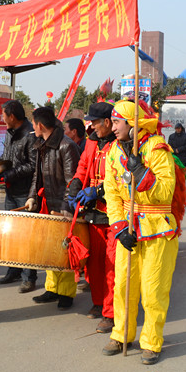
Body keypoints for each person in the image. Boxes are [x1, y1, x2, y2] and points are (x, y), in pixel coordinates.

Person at [101, 100, 179, 366]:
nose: (112, 128)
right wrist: (120, 226)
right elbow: (111, 192)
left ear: (132, 123)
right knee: (123, 285)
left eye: (117, 122)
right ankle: (121, 335)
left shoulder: (158, 149)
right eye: (112, 122)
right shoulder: (112, 152)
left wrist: (141, 172)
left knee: (153, 289)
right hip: (127, 226)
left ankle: (152, 341)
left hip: (158, 227)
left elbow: (166, 192)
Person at [64, 102, 117, 333]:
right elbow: (84, 166)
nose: (92, 125)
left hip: (114, 213)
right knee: (93, 263)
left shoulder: (120, 143)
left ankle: (111, 312)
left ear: (108, 122)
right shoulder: (92, 140)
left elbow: (121, 176)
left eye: (95, 121)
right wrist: (75, 185)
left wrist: (99, 191)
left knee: (111, 265)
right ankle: (98, 301)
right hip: (92, 212)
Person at [26, 106, 81, 310]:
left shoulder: (66, 146)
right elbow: (36, 176)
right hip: (47, 203)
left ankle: (66, 292)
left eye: (33, 123)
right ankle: (52, 288)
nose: (33, 127)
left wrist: (67, 208)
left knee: (65, 250)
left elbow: (72, 181)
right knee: (49, 249)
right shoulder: (41, 144)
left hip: (63, 205)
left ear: (39, 125)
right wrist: (32, 196)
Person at [0, 100, 38, 292]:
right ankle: (13, 269)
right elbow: (8, 158)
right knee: (10, 233)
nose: (2, 119)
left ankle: (29, 276)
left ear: (12, 116)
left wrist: (10, 174)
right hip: (11, 190)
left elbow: (33, 165)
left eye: (3, 115)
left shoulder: (31, 134)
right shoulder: (9, 132)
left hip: (25, 192)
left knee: (27, 236)